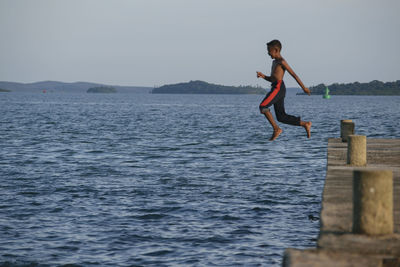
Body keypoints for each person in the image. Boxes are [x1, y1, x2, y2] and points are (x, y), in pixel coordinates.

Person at [256, 39, 312, 141]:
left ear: (276, 50)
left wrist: (304, 88)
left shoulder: (282, 62)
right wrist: (263, 76)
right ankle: (305, 124)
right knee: (281, 117)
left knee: (263, 106)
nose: (268, 53)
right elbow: (273, 78)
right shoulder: (274, 62)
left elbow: (294, 75)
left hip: (279, 88)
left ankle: (276, 129)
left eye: (269, 50)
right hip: (276, 87)